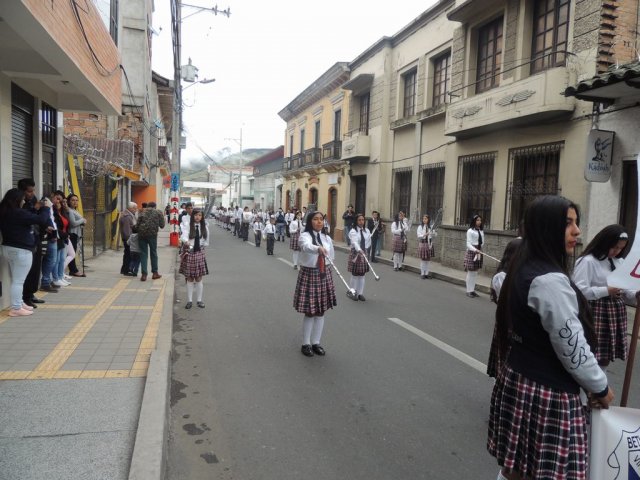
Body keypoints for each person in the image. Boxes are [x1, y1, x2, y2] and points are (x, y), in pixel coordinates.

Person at [488, 195, 613, 480]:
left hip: (519, 379)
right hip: (547, 391)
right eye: (568, 223)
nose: (577, 231)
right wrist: (600, 386)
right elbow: (572, 348)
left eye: (576, 222)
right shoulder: (549, 281)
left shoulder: (521, 268)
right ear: (546, 228)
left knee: (516, 469)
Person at [573, 224, 637, 368]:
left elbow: (626, 289)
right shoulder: (588, 261)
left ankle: (600, 384)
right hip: (594, 311)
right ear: (605, 242)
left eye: (621, 248)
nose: (617, 251)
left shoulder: (619, 262)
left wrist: (635, 294)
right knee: (591, 353)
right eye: (614, 247)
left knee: (605, 356)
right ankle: (590, 386)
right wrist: (607, 290)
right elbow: (579, 291)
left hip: (614, 313)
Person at [0, 188, 51, 316]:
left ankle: (19, 302)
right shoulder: (18, 213)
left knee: (16, 279)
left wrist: (35, 209)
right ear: (17, 200)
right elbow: (41, 220)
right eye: (22, 199)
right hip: (21, 250)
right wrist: (46, 208)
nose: (24, 201)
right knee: (19, 280)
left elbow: (28, 217)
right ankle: (16, 308)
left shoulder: (6, 212)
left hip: (8, 248)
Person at [294, 211, 337, 357]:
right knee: (310, 312)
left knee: (321, 311)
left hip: (324, 274)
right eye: (316, 219)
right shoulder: (305, 236)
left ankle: (316, 342)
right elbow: (305, 246)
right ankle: (306, 343)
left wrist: (329, 264)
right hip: (310, 274)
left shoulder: (326, 238)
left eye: (321, 220)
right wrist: (317, 248)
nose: (319, 222)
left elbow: (331, 256)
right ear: (310, 221)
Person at [486, 237, 522, 378]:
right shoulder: (501, 276)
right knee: (504, 359)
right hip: (507, 321)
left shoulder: (520, 273)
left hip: (517, 322)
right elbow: (509, 300)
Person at [18, 178, 48, 307]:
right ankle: (25, 297)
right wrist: (35, 209)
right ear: (23, 191)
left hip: (36, 237)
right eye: (30, 191)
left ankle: (30, 294)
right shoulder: (20, 203)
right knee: (28, 271)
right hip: (26, 241)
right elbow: (26, 218)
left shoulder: (33, 200)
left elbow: (40, 218)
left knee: (36, 268)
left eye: (33, 190)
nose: (32, 193)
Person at [179, 209, 210, 309]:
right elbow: (183, 236)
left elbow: (206, 241)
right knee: (190, 278)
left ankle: (199, 300)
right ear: (193, 216)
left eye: (200, 215)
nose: (197, 217)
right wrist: (186, 241)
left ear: (202, 217)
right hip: (190, 252)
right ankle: (189, 301)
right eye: (196, 215)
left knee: (199, 278)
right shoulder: (188, 225)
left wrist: (201, 246)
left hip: (199, 253)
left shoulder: (204, 227)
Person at [136, 201, 165, 281]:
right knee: (153, 253)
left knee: (143, 254)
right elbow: (162, 225)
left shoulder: (142, 212)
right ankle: (155, 273)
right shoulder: (158, 212)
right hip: (152, 235)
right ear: (155, 207)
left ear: (148, 206)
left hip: (142, 235)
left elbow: (137, 225)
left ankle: (144, 275)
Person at [347, 213, 371, 301]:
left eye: (363, 220)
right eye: (359, 220)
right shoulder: (353, 231)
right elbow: (355, 242)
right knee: (355, 274)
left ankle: (360, 293)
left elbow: (368, 242)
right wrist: (359, 250)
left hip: (364, 253)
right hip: (356, 253)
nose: (361, 222)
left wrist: (366, 250)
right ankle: (353, 292)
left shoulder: (367, 231)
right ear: (356, 221)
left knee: (362, 274)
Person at [51, 191, 71, 288]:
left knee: (61, 259)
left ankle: (59, 276)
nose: (59, 202)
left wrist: (65, 208)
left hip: (63, 237)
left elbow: (68, 222)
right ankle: (56, 278)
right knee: (57, 259)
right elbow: (56, 225)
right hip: (57, 237)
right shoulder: (52, 211)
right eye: (57, 199)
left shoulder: (62, 211)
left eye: (61, 200)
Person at [66, 194, 86, 277]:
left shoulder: (75, 210)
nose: (75, 202)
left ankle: (73, 270)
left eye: (76, 200)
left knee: (73, 252)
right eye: (73, 200)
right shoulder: (70, 211)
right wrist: (83, 220)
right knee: (72, 253)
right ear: (69, 201)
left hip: (76, 234)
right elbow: (73, 223)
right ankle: (73, 270)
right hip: (72, 234)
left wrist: (82, 222)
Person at [464, 214, 484, 298]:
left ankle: (472, 290)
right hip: (472, 252)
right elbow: (468, 244)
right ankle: (468, 290)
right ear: (474, 221)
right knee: (470, 272)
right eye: (477, 220)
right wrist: (475, 250)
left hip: (479, 251)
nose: (479, 222)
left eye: (480, 220)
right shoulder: (470, 231)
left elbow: (482, 241)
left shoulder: (481, 231)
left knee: (475, 272)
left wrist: (480, 249)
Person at [119, 202, 137, 276]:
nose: (136, 210)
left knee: (127, 254)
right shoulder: (127, 216)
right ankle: (126, 270)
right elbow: (127, 231)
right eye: (135, 208)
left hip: (127, 238)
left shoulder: (128, 215)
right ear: (131, 208)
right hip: (128, 239)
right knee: (128, 255)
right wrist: (130, 240)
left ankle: (124, 269)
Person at [416, 214, 435, 279]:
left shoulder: (430, 227)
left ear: (428, 219)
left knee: (428, 260)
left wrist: (433, 232)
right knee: (423, 260)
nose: (424, 220)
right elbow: (419, 235)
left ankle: (426, 273)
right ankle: (422, 273)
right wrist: (425, 234)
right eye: (423, 218)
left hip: (429, 244)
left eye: (426, 219)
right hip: (423, 243)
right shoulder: (420, 227)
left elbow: (435, 235)